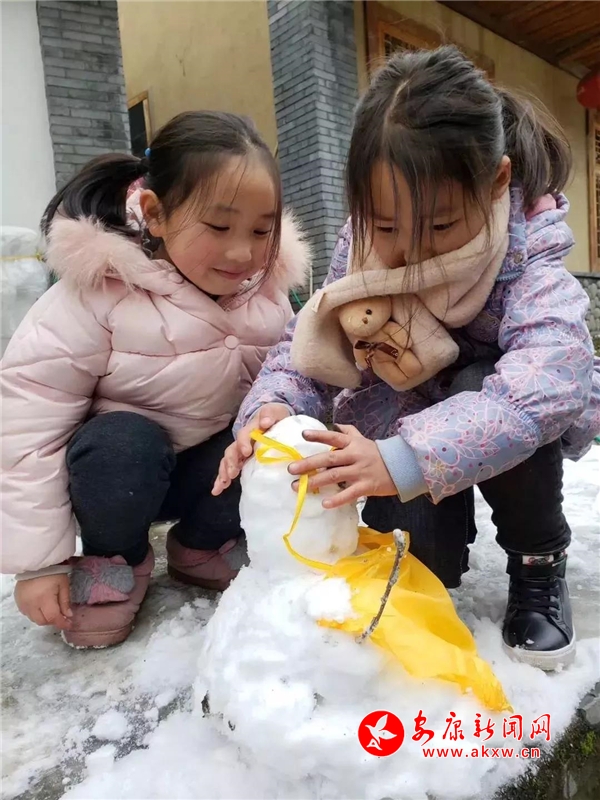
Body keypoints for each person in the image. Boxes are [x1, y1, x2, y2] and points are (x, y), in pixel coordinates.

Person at [215, 47, 600, 671]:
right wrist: (274, 406)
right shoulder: (360, 250)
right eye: (388, 226)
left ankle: (538, 562)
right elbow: (308, 346)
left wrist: (405, 458)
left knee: (484, 383)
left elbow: (545, 387)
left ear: (496, 182)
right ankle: (436, 538)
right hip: (399, 417)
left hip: (491, 434)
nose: (409, 252)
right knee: (424, 567)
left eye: (440, 226)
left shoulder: (528, 255)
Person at [1, 111, 309, 648]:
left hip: (205, 478)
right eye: (219, 227)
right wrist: (39, 563)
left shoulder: (269, 297)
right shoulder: (99, 292)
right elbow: (28, 419)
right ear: (155, 213)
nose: (243, 252)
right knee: (122, 442)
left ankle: (201, 545)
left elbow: (293, 381)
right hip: (116, 482)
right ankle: (114, 560)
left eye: (262, 231)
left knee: (271, 433)